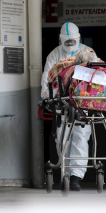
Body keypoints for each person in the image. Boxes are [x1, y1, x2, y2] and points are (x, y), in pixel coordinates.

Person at [41, 22, 94, 191]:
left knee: (80, 136)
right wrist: (47, 97)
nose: (70, 45)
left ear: (78, 39)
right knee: (62, 138)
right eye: (67, 41)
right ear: (61, 40)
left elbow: (98, 73)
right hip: (61, 103)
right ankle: (65, 173)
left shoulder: (88, 53)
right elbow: (46, 79)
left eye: (72, 41)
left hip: (82, 103)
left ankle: (76, 177)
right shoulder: (54, 55)